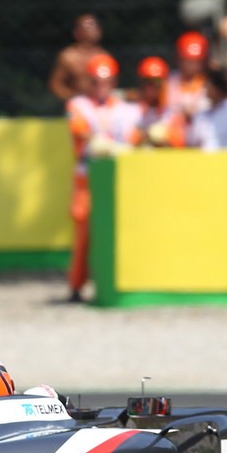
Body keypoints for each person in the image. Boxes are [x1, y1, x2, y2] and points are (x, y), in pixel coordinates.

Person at [65, 53, 137, 302]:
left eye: (105, 81)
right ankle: (76, 285)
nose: (100, 87)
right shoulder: (78, 105)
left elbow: (135, 134)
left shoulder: (127, 108)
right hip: (88, 176)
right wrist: (106, 143)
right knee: (84, 231)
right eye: (96, 81)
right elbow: (81, 133)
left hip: (119, 177)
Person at [48, 14, 107, 103]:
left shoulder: (104, 57)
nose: (93, 30)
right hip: (76, 104)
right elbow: (55, 84)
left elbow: (110, 84)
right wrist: (72, 98)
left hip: (99, 105)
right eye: (88, 26)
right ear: (77, 33)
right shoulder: (69, 56)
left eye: (95, 26)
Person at [130, 56, 185, 147]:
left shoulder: (171, 113)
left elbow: (180, 143)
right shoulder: (131, 111)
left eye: (159, 82)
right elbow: (128, 142)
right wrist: (146, 135)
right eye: (150, 82)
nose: (155, 87)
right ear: (142, 84)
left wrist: (166, 135)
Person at [167, 31, 210, 123]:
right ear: (178, 59)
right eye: (187, 61)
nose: (191, 66)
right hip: (173, 131)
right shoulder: (170, 80)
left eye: (196, 61)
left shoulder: (210, 82)